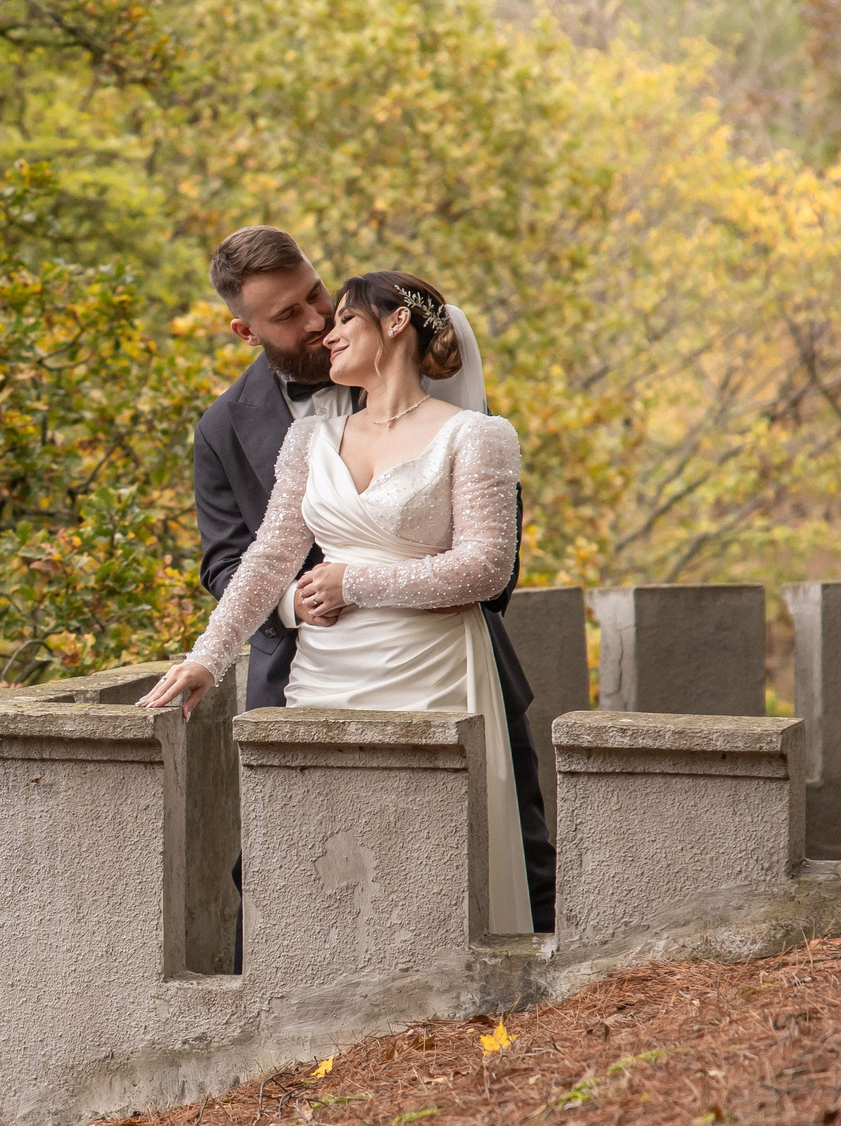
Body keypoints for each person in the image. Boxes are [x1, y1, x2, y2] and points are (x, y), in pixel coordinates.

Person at [158, 234, 554, 933]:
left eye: (328, 303)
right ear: (245, 329)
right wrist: (209, 656)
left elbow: (492, 567)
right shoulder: (265, 434)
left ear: (394, 323)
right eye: (294, 314)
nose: (318, 323)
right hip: (315, 673)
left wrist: (353, 582)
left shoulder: (475, 434)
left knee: (485, 875)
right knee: (303, 893)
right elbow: (252, 559)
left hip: (439, 668)